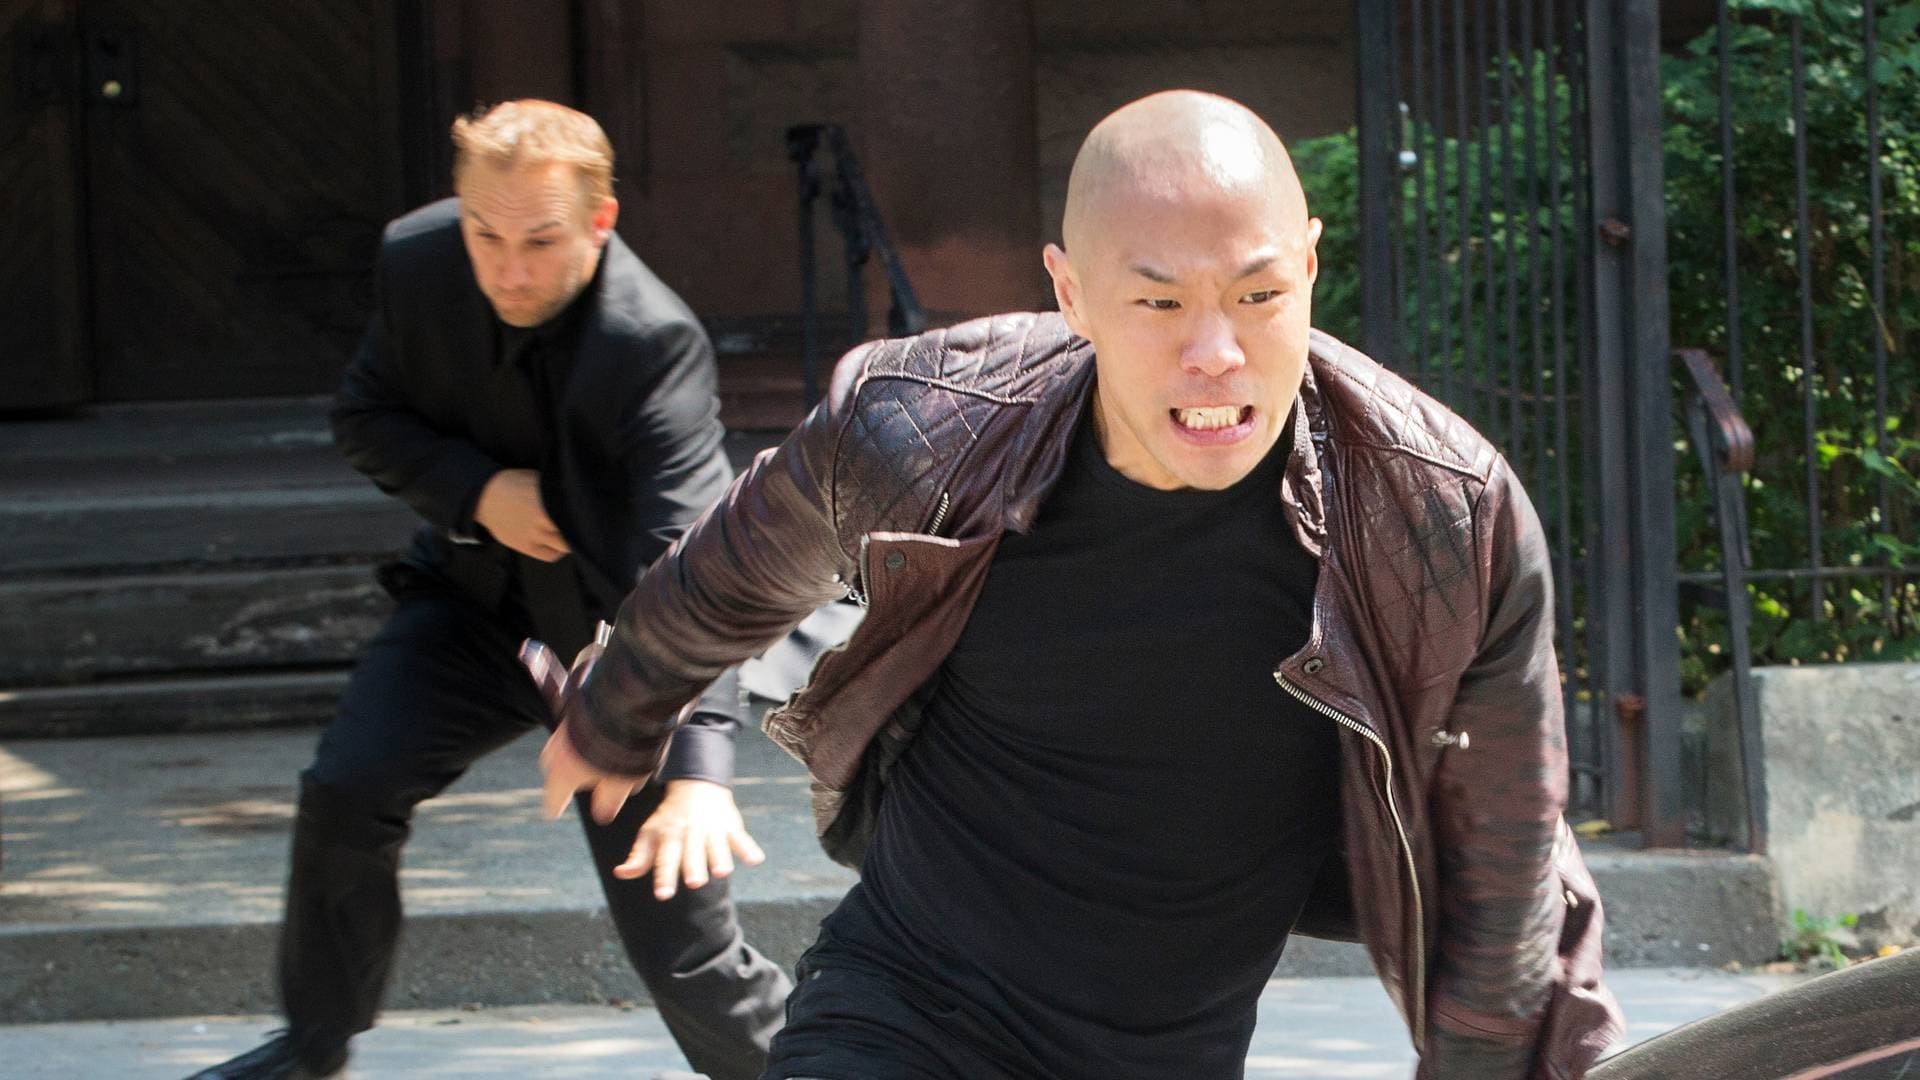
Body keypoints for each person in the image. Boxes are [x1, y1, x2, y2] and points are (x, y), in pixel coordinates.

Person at [540, 90, 1626, 1079]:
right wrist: (617, 711)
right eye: (1160, 303)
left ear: (1309, 265)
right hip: (902, 1008)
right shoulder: (927, 427)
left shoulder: (1439, 516)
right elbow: (728, 575)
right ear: (1072, 292)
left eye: (1258, 293)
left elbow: (1506, 869)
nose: (1217, 350)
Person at [190, 100, 787, 1080]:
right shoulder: (418, 263)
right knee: (347, 788)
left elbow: (688, 563)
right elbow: (366, 415)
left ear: (599, 221)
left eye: (540, 242)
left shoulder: (651, 343)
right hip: (471, 613)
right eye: (485, 235)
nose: (508, 271)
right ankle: (311, 1050)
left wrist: (697, 773)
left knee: (684, 944)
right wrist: (478, 492)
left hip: (617, 649)